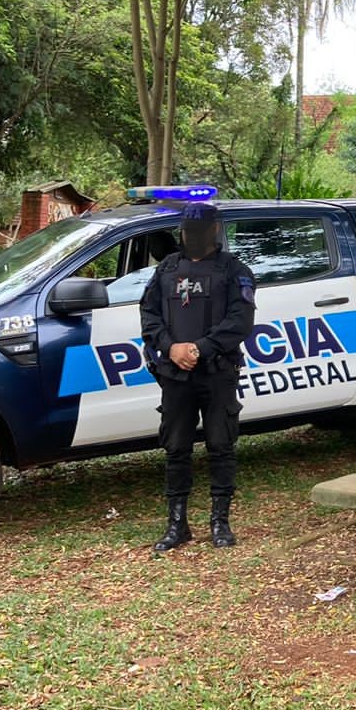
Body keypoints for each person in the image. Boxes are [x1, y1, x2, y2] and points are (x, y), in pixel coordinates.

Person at [139, 201, 256, 552]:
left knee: (221, 445)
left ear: (214, 230)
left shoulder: (234, 270)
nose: (191, 237)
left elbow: (240, 321)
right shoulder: (167, 269)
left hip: (217, 372)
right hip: (176, 374)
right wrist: (171, 347)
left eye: (198, 231)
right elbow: (149, 314)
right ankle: (177, 524)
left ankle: (220, 522)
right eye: (187, 231)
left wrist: (200, 348)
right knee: (176, 448)